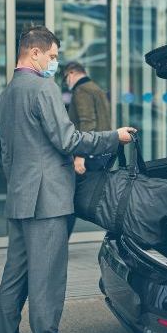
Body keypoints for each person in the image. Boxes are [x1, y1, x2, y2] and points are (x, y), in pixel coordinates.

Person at [0, 25, 135, 333]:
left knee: (14, 277)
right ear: (35, 53)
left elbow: (7, 155)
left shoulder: (5, 96)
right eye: (53, 56)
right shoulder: (43, 89)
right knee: (47, 280)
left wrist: (20, 185)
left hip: (19, 199)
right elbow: (68, 139)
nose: (54, 63)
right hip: (48, 202)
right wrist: (114, 137)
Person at [63, 61, 112, 235]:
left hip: (88, 153)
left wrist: (80, 155)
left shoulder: (81, 90)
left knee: (70, 197)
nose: (66, 82)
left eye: (65, 78)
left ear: (72, 73)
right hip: (101, 151)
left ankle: (60, 241)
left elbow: (87, 122)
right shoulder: (96, 88)